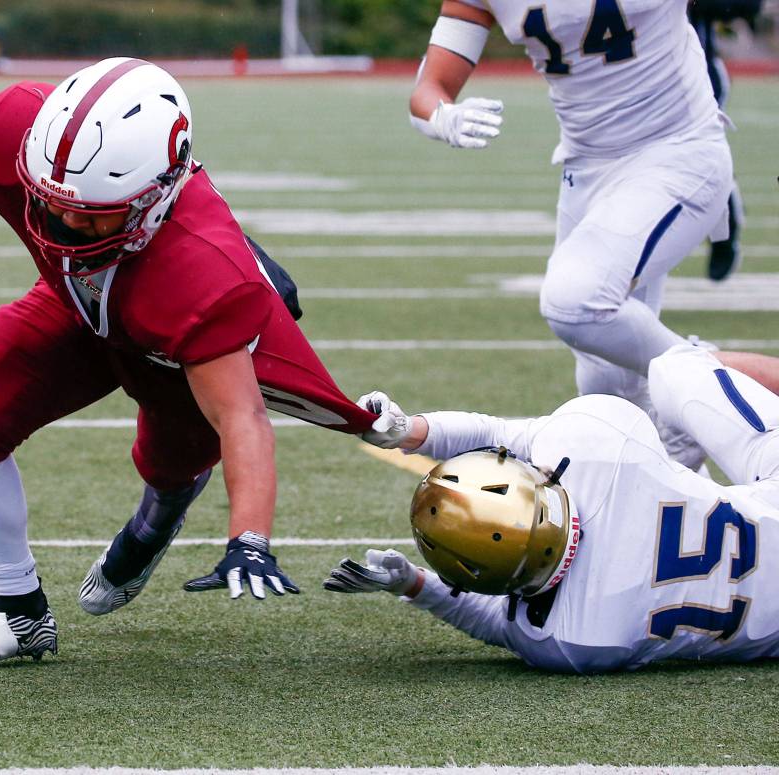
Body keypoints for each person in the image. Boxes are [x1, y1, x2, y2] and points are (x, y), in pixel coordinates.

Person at [0, 57, 377, 669]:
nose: (64, 220)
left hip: (168, 345)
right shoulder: (19, 129)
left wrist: (250, 539)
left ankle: (154, 525)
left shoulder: (203, 272)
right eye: (51, 201)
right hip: (75, 304)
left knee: (170, 464)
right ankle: (18, 611)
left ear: (158, 191)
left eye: (91, 211)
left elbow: (243, 419)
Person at [409, 0, 735, 471]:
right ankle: (696, 512)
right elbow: (428, 91)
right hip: (586, 172)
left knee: (576, 303)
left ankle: (707, 385)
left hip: (677, 152)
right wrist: (444, 117)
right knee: (610, 401)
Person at [325, 341, 779, 673]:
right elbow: (496, 432)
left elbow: (498, 625)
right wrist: (408, 429)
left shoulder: (574, 641)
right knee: (673, 367)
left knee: (671, 467)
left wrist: (414, 584)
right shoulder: (599, 447)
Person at [688, 0, 763, 280]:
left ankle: (725, 225)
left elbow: (749, 4)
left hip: (696, 82)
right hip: (628, 88)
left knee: (700, 159)